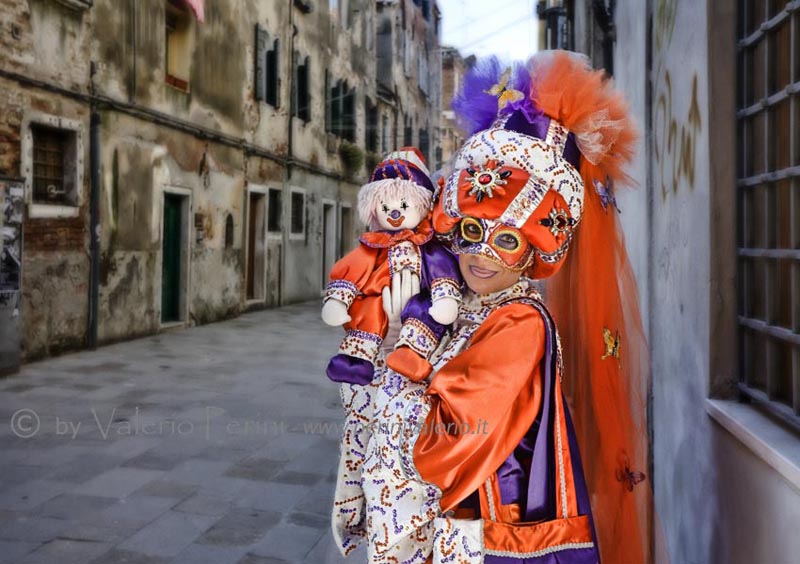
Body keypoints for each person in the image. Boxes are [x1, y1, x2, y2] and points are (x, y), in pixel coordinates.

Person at [332, 51, 651, 564]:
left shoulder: (520, 322)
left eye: (505, 240)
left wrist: (385, 381)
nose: (480, 255)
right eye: (474, 231)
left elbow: (447, 441)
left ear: (534, 251)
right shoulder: (473, 303)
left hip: (486, 531)